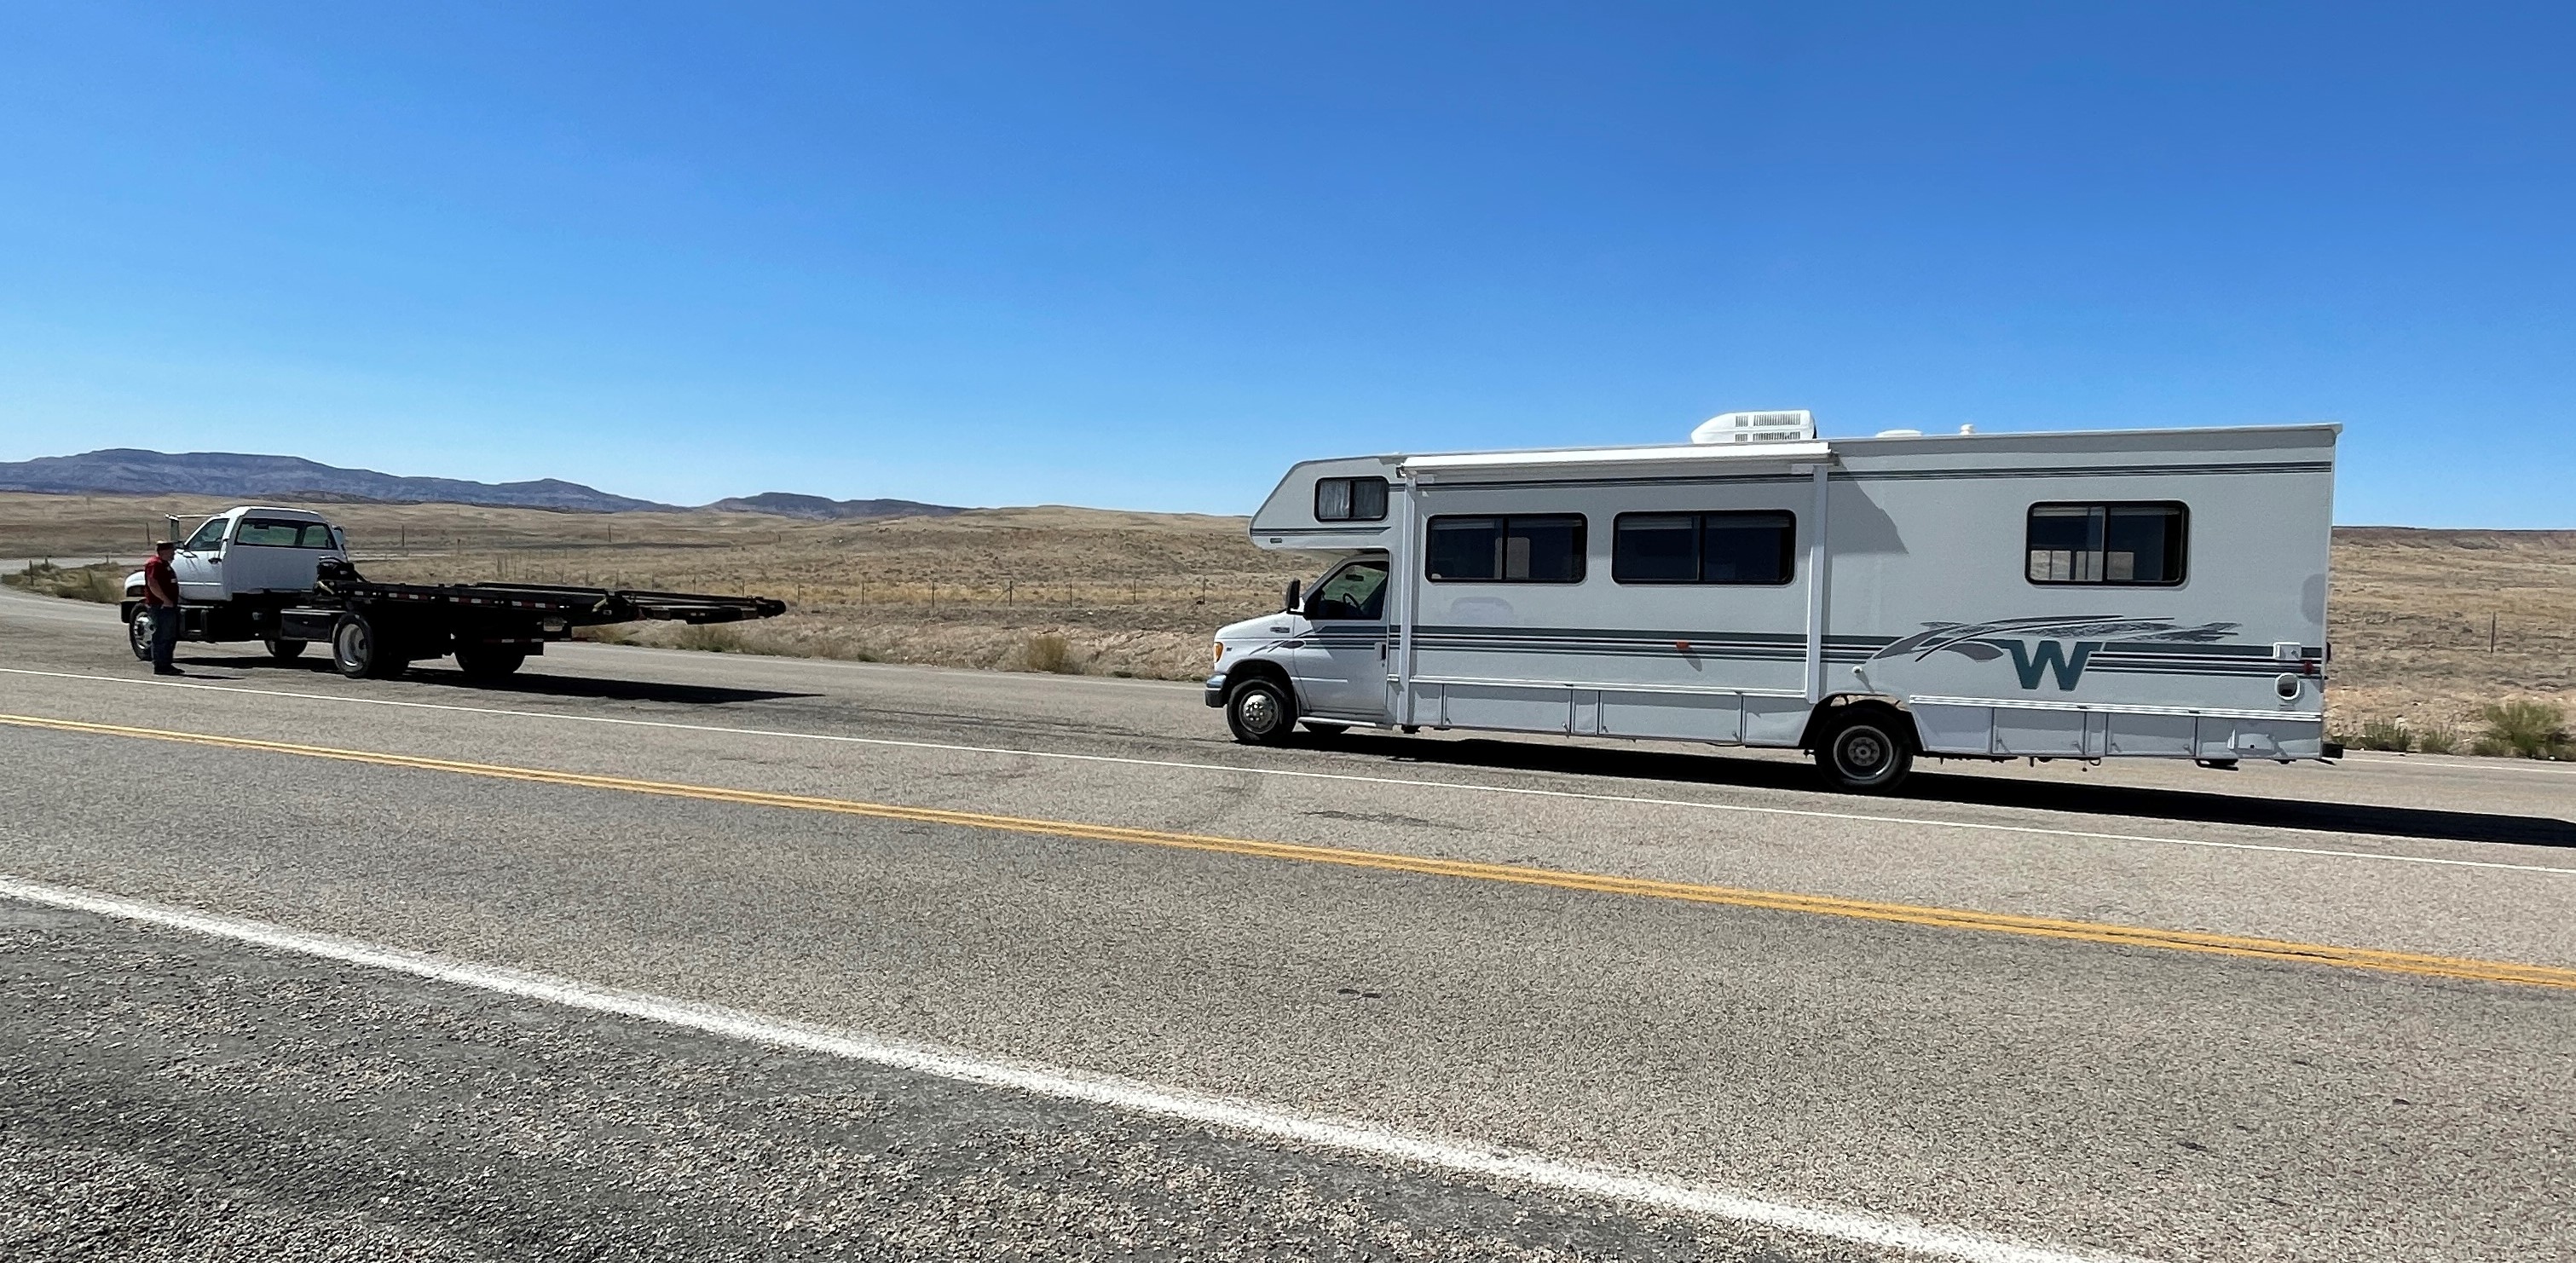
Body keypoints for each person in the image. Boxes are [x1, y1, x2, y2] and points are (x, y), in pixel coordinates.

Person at [141, 540, 182, 675]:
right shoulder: (155, 564)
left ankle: (167, 663)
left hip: (168, 605)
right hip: (161, 606)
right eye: (172, 551)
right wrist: (165, 600)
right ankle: (160, 665)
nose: (174, 553)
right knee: (162, 635)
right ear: (164, 551)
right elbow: (152, 584)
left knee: (169, 636)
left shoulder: (164, 565)